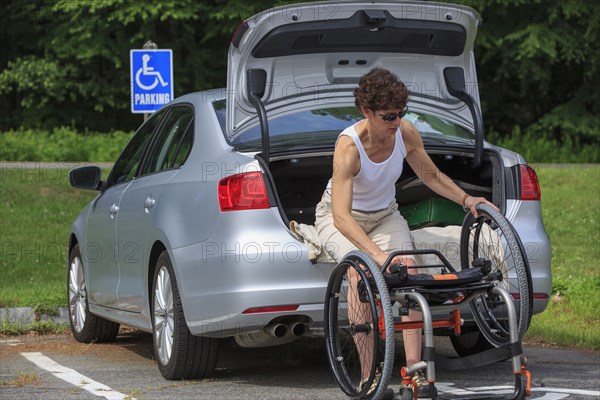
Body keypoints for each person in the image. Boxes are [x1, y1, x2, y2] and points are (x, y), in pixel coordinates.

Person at [315, 67, 495, 398]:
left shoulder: (406, 133)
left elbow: (431, 175)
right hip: (340, 216)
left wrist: (467, 199)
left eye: (400, 113)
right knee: (360, 274)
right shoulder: (349, 147)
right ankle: (369, 378)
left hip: (385, 215)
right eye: (388, 116)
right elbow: (341, 216)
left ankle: (415, 373)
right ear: (366, 112)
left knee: (410, 271)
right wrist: (378, 256)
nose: (395, 121)